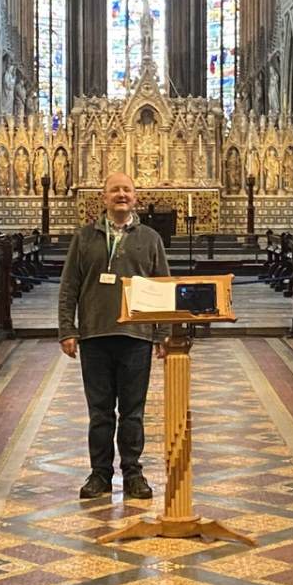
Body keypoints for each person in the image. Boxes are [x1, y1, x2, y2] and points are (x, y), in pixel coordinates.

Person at [57, 172, 168, 501]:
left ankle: (133, 473)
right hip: (94, 334)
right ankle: (100, 474)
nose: (121, 195)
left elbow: (162, 286)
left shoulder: (150, 238)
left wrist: (162, 334)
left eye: (127, 190)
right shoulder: (85, 237)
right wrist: (67, 328)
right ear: (103, 198)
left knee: (133, 411)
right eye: (114, 190)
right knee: (100, 411)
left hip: (136, 336)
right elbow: (69, 286)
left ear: (136, 197)